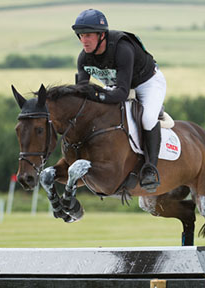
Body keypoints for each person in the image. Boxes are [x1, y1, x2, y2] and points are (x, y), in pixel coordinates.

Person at [72, 9, 166, 193]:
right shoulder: (84, 58)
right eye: (81, 35)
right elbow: (82, 93)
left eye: (88, 35)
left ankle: (150, 169)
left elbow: (123, 93)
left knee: (147, 118)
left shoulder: (122, 49)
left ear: (101, 35)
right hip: (117, 86)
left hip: (147, 83)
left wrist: (96, 95)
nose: (84, 40)